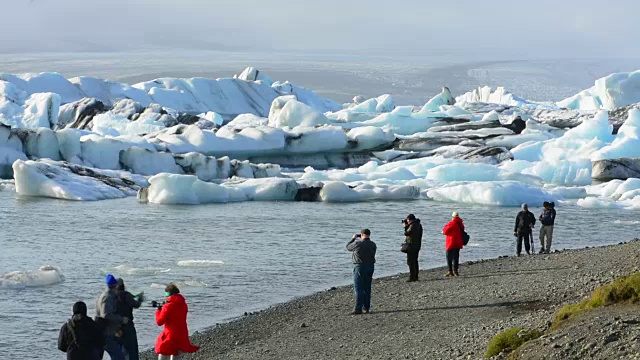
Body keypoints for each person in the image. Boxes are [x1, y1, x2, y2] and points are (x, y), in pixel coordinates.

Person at [155, 284, 199, 360]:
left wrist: (159, 310)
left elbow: (159, 322)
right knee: (175, 353)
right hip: (182, 333)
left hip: (170, 334)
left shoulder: (167, 306)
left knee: (162, 350)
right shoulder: (184, 304)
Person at [95, 274, 129, 360]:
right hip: (106, 333)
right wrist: (122, 319)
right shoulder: (109, 297)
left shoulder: (101, 295)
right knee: (119, 357)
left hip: (101, 331)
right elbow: (106, 314)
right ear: (115, 285)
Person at [346, 228, 377, 314]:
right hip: (370, 266)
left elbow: (348, 247)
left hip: (360, 266)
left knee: (359, 288)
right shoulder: (373, 244)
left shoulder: (358, 243)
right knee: (367, 288)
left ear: (362, 234)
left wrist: (353, 238)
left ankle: (358, 308)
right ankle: (366, 307)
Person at [116, 278, 144, 360]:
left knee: (119, 350)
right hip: (128, 325)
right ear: (123, 286)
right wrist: (140, 298)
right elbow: (136, 305)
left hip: (116, 327)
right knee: (132, 350)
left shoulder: (112, 296)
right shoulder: (126, 295)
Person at [442, 212, 464, 277]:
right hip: (458, 242)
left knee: (449, 257)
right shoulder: (460, 224)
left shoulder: (452, 223)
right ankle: (455, 271)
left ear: (453, 217)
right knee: (456, 257)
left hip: (451, 242)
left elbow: (445, 231)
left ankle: (450, 271)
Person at [403, 214, 423, 282]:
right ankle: (416, 276)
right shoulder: (419, 225)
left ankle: (412, 277)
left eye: (407, 220)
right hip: (417, 245)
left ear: (410, 219)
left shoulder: (412, 225)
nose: (407, 221)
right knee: (415, 261)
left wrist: (405, 226)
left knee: (410, 262)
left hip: (411, 246)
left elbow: (406, 233)